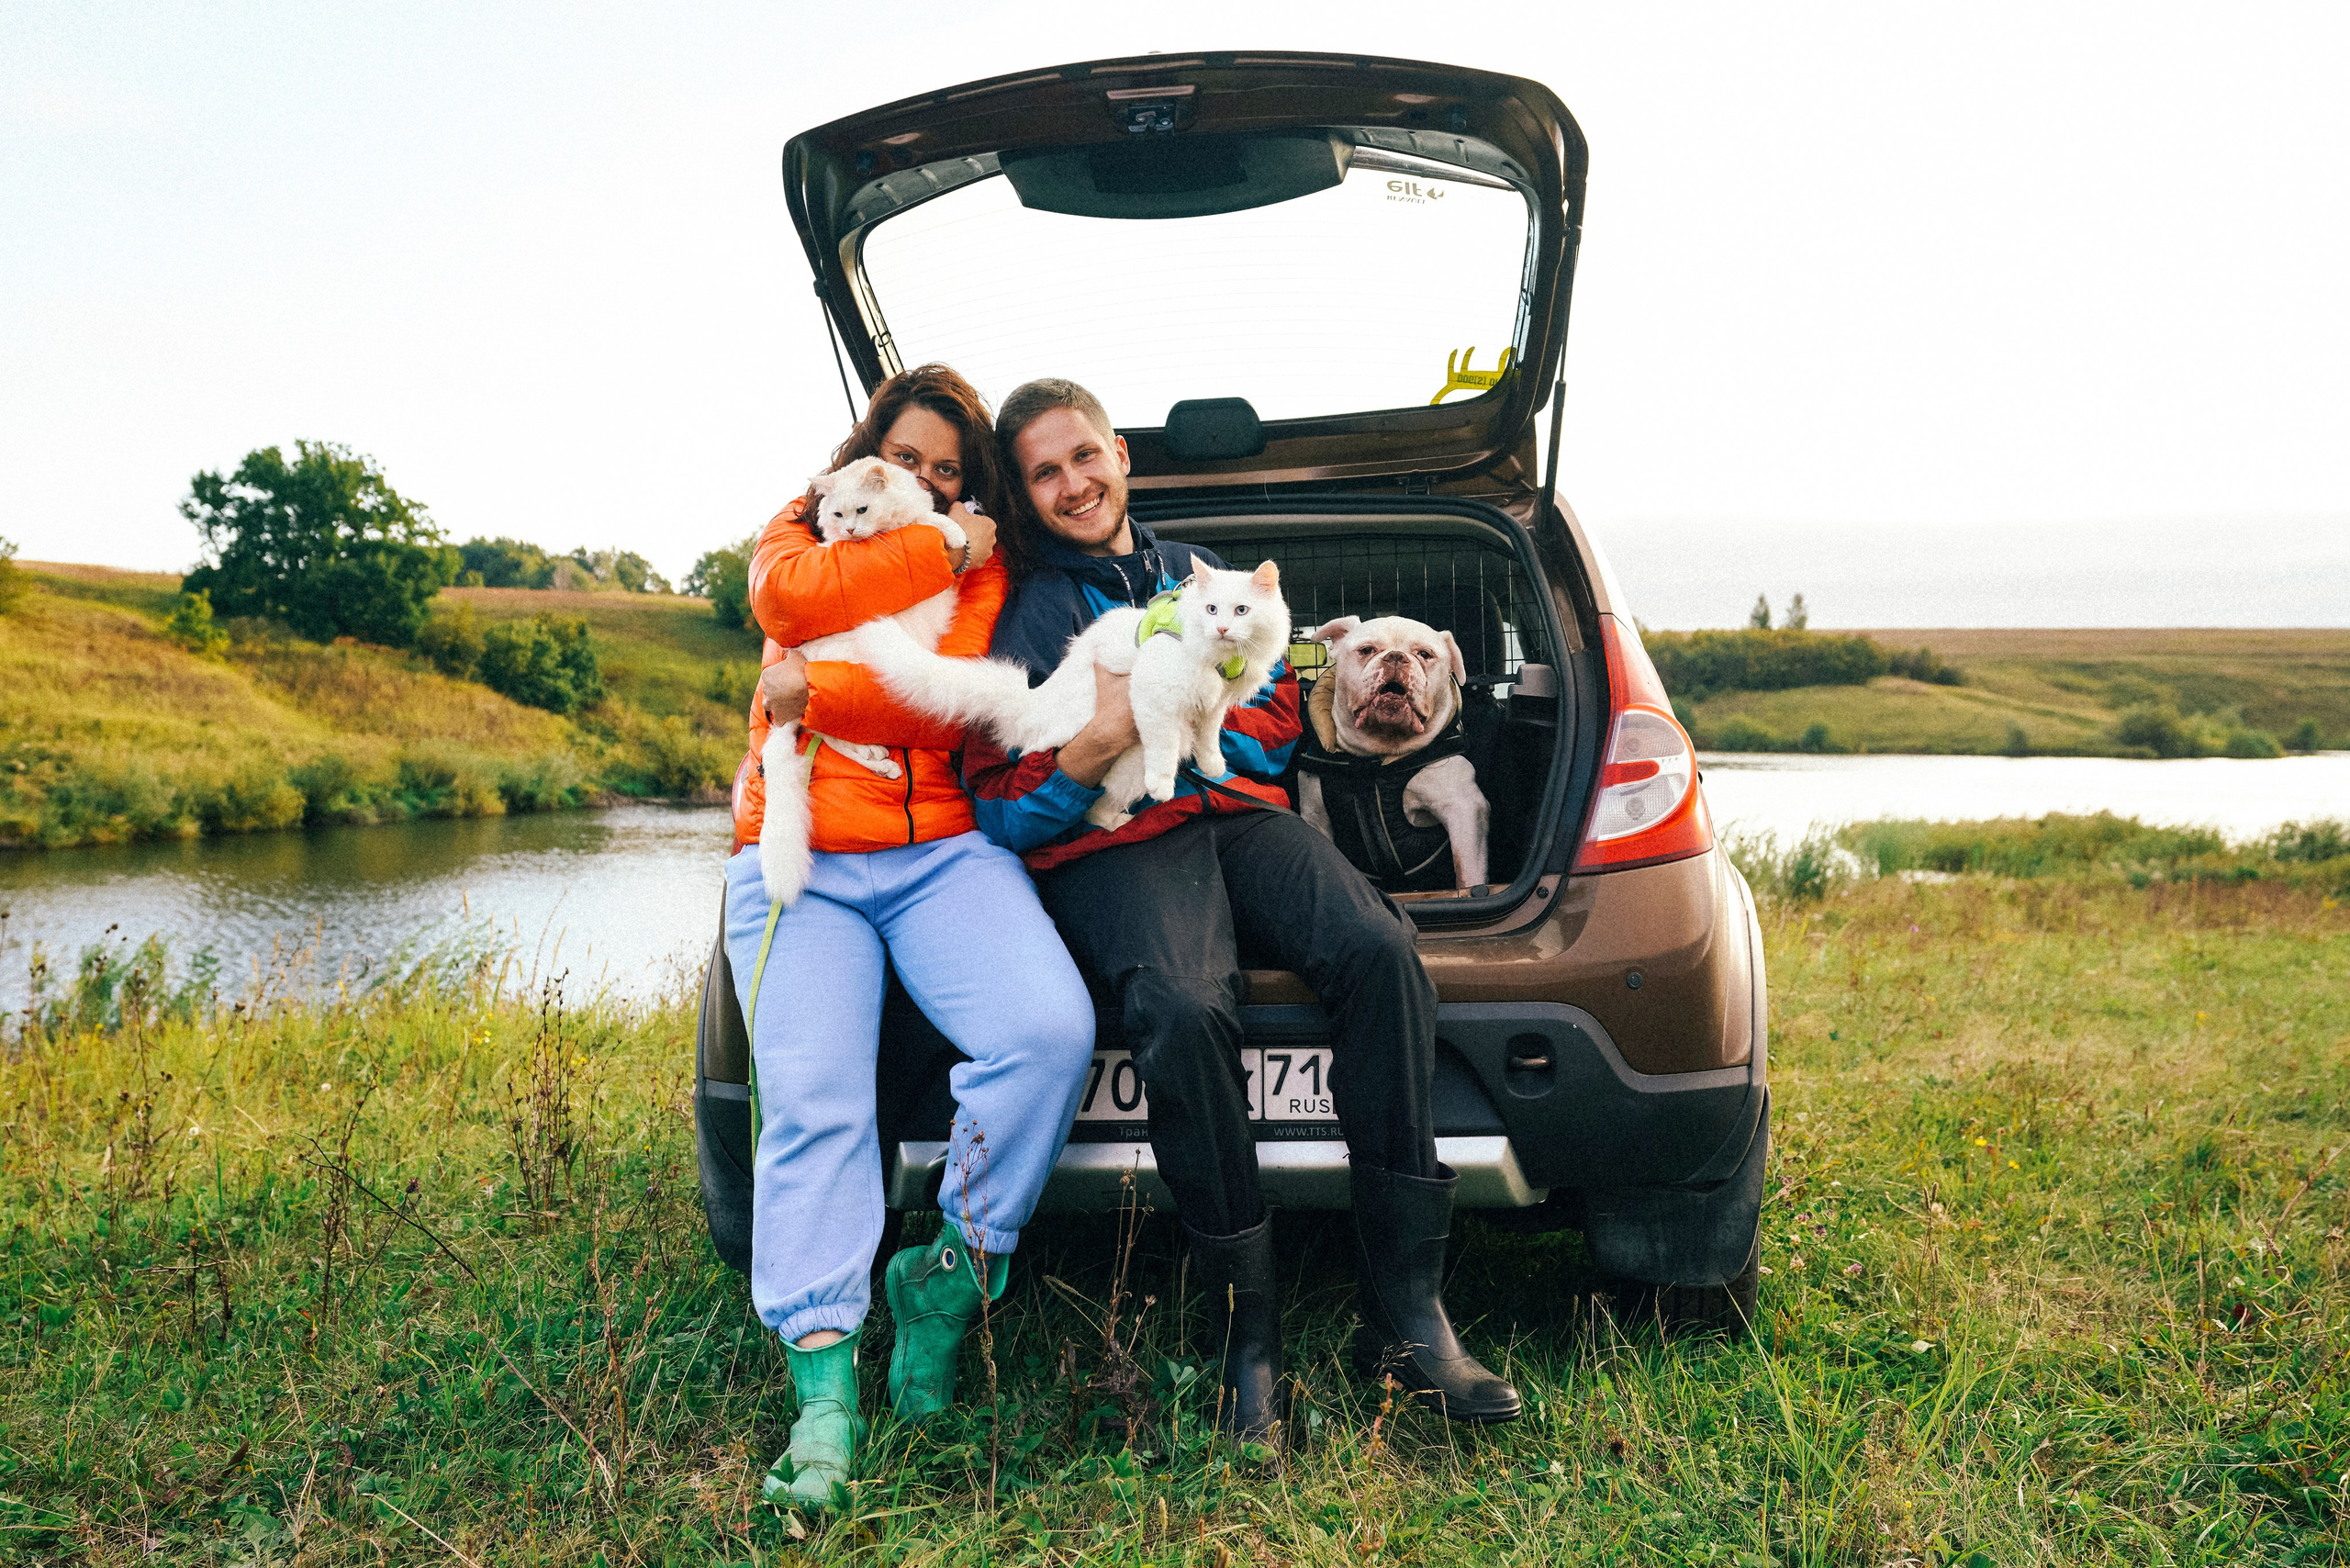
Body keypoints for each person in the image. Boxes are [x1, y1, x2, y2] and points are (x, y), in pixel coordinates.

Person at [962, 378, 1522, 1456]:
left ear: (1118, 455)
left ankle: (1406, 1319)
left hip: (1237, 815)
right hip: (1117, 838)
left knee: (1379, 953)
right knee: (1178, 1002)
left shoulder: (1200, 577)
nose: (1073, 482)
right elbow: (998, 798)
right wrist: (1089, 755)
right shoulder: (1024, 610)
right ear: (1027, 496)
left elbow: (1274, 717)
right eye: (1043, 472)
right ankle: (1245, 1341)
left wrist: (1214, 709)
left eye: (1084, 455)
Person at [724, 364, 1095, 1509]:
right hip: (799, 859)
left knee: (1045, 1032)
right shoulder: (805, 530)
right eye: (911, 462)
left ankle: (949, 1275)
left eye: (950, 473)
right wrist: (936, 543)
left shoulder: (986, 567)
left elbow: (944, 700)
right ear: (866, 458)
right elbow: (785, 605)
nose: (930, 484)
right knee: (814, 1098)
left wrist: (808, 690)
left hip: (939, 847)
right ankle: (825, 1396)